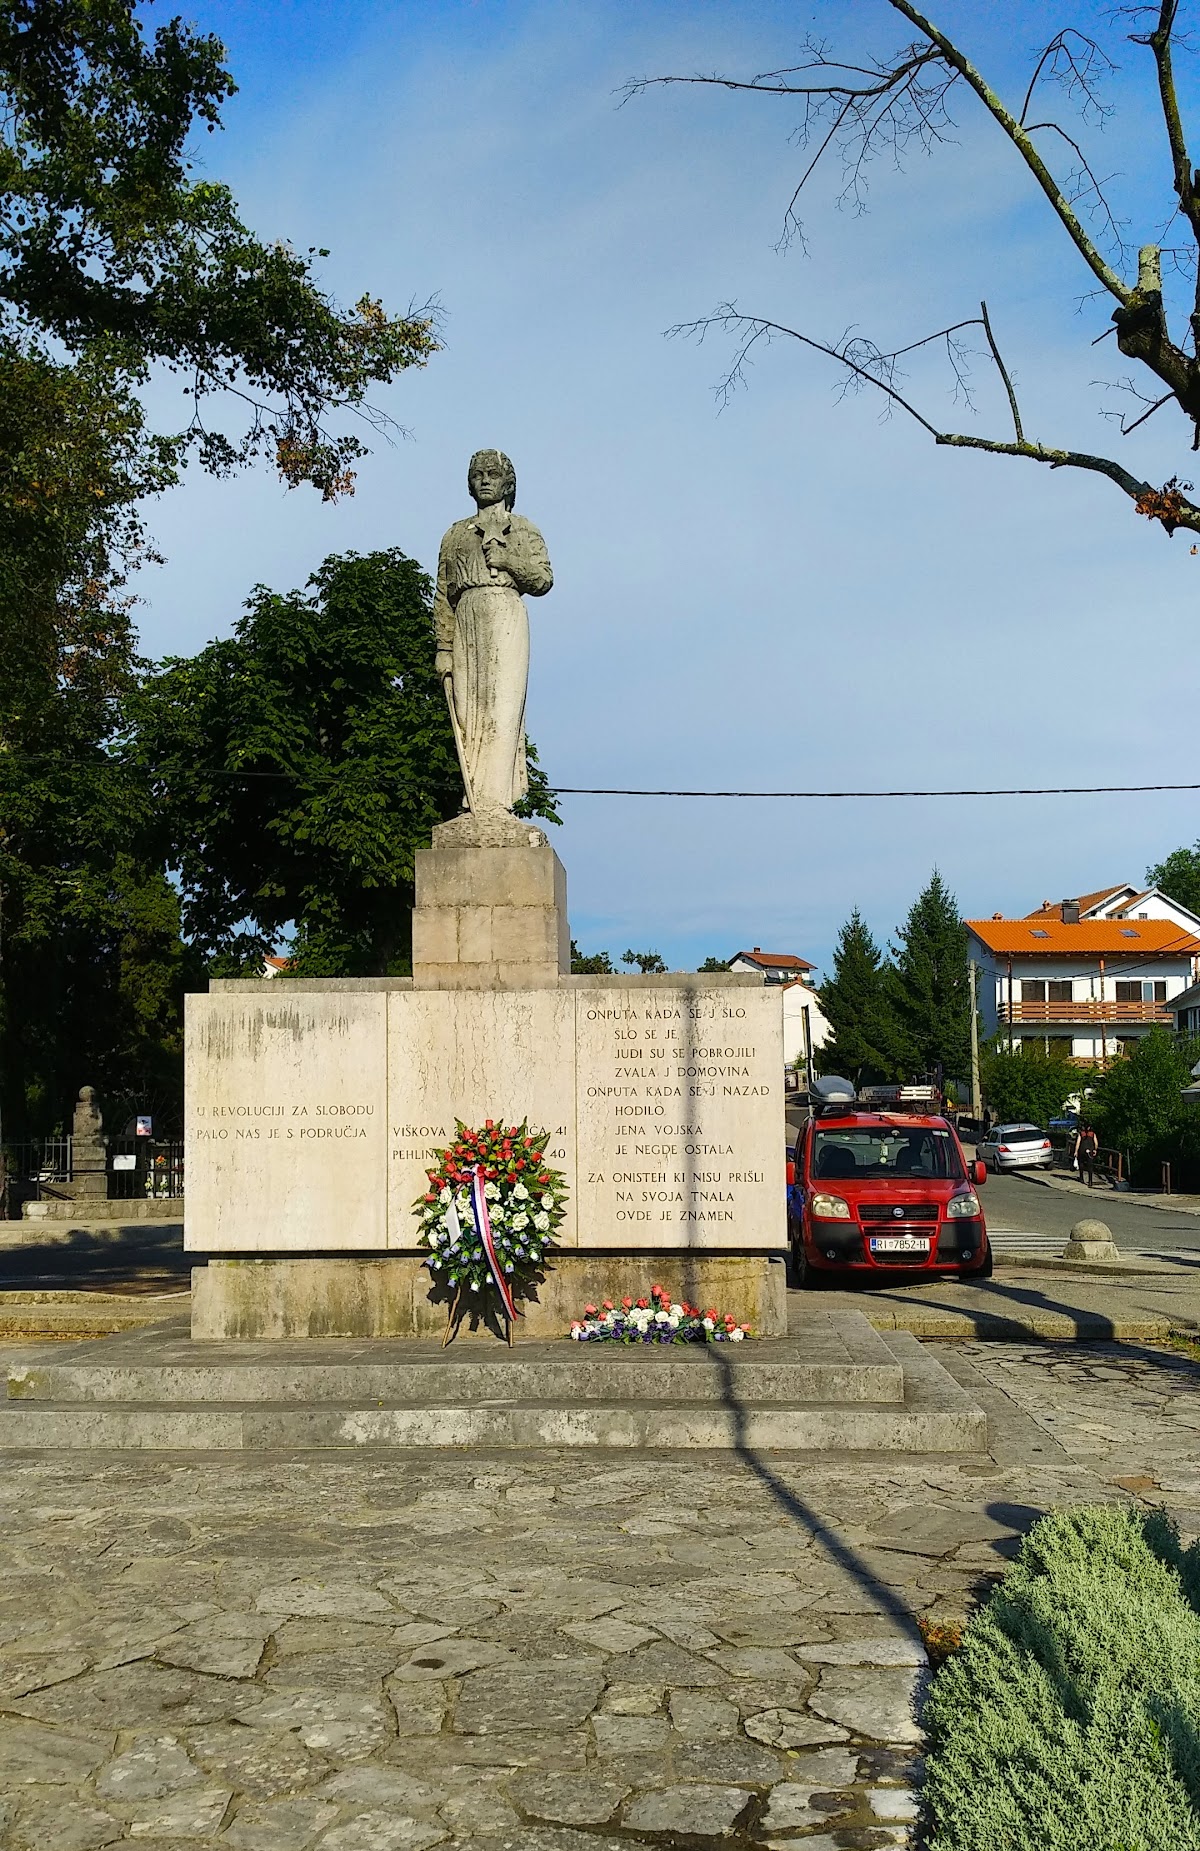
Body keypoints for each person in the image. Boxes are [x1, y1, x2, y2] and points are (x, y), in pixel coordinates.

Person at [433, 449, 553, 813]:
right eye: (477, 475)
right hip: (467, 616)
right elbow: (442, 592)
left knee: (503, 706)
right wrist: (443, 646)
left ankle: (496, 802)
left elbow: (544, 579)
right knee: (470, 711)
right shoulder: (455, 534)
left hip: (505, 613)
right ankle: (474, 799)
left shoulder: (525, 529)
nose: (484, 480)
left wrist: (509, 562)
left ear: (508, 483)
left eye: (492, 474)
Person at [1072, 1121, 1099, 1187]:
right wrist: (1095, 1150)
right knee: (1090, 1166)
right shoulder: (1093, 1134)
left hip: (1082, 1150)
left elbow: (1078, 1143)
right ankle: (1090, 1181)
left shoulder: (1081, 1134)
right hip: (1090, 1151)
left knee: (1081, 1163)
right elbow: (1096, 1143)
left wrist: (1076, 1151)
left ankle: (1081, 1178)